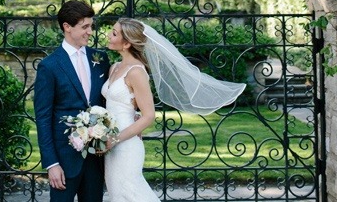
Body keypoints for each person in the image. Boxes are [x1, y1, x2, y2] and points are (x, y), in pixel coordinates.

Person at [101, 18, 246, 202]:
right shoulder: (114, 68)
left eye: (114, 33)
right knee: (117, 194)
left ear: (127, 43)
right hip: (111, 144)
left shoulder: (136, 72)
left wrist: (115, 139)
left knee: (131, 192)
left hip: (125, 144)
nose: (108, 35)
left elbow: (149, 116)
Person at [34, 0, 111, 202]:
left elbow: (109, 99)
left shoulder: (100, 59)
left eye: (91, 26)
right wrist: (52, 164)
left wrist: (133, 114)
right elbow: (42, 118)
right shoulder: (49, 66)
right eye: (84, 26)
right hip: (64, 161)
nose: (90, 31)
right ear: (67, 27)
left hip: (96, 159)